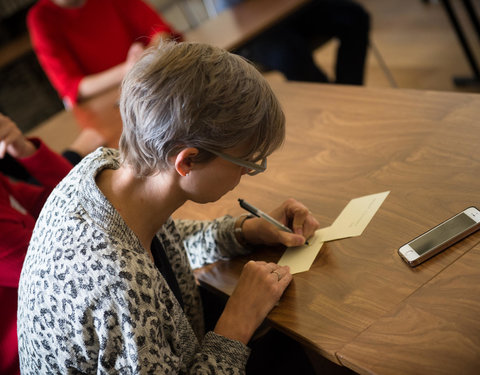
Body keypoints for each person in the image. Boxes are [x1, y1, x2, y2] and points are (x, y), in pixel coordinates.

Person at [17, 41, 320, 374]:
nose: (248, 172)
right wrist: (237, 323)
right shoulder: (118, 285)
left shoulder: (106, 170)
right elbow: (135, 279)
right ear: (187, 160)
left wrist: (242, 231)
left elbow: (164, 244)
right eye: (245, 162)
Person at [0, 113, 104, 375]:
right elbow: (69, 270)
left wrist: (24, 149)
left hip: (69, 327)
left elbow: (72, 196)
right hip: (47, 356)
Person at [27, 0, 181, 107]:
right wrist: (129, 69)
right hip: (106, 103)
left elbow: (160, 31)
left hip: (152, 84)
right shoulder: (41, 18)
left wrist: (146, 57)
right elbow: (73, 87)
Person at [216, 0, 370, 85]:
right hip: (248, 27)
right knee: (290, 53)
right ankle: (333, 105)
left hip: (291, 11)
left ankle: (349, 92)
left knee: (354, 16)